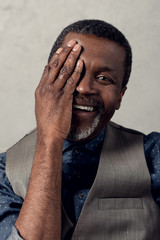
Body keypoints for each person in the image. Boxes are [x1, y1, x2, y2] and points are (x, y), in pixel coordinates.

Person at [0, 19, 160, 240]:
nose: (84, 87)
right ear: (47, 81)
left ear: (120, 97)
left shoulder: (152, 154)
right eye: (72, 71)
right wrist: (51, 138)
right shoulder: (4, 172)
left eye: (104, 78)